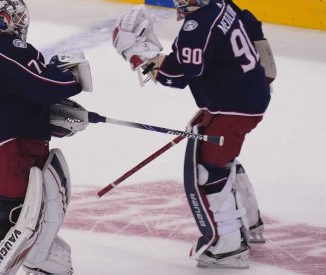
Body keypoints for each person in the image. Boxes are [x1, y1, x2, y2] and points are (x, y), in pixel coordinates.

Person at [112, 0, 276, 269]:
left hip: (232, 108)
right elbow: (253, 26)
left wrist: (137, 55)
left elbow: (176, 77)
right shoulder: (223, 4)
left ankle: (228, 247)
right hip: (247, 97)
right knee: (221, 161)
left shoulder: (196, 25)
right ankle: (250, 221)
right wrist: (266, 76)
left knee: (209, 171)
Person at [0, 0, 92, 274]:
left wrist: (49, 120)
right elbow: (43, 87)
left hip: (11, 136)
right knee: (16, 213)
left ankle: (30, 262)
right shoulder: (10, 47)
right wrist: (71, 78)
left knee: (28, 209)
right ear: (3, 19)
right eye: (15, 16)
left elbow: (23, 91)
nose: (21, 21)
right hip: (10, 141)